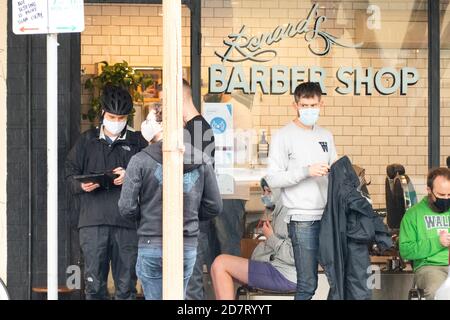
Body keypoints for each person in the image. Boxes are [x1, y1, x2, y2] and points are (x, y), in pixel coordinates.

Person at [118, 104, 223, 300]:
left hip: (151, 242)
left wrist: (146, 217)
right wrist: (190, 215)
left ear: (159, 126)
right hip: (187, 243)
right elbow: (214, 205)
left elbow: (126, 207)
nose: (145, 125)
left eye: (149, 121)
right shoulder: (201, 159)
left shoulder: (139, 160)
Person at [65, 85, 148, 300]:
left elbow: (155, 177)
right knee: (94, 288)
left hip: (127, 225)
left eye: (121, 117)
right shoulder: (86, 141)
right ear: (102, 112)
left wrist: (131, 176)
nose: (116, 121)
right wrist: (81, 185)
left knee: (127, 289)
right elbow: (68, 175)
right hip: (92, 225)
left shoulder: (138, 142)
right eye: (112, 116)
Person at [264, 82, 337, 300]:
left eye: (313, 105)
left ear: (321, 104)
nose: (309, 110)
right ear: (295, 105)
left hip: (327, 217)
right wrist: (306, 171)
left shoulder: (326, 135)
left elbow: (335, 168)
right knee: (307, 284)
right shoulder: (283, 136)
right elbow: (273, 178)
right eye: (304, 105)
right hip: (301, 218)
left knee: (337, 278)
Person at [211, 179, 296, 300]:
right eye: (264, 191)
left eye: (269, 191)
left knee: (221, 264)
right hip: (280, 270)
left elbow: (293, 256)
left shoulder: (288, 213)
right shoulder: (280, 210)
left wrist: (271, 237)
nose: (265, 195)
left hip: (284, 274)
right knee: (218, 268)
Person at [182, 79, 217, 300]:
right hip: (190, 218)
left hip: (192, 219)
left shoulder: (197, 130)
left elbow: (190, 176)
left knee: (191, 286)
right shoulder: (196, 128)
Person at [399, 167, 450, 300]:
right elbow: (405, 250)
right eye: (441, 195)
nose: (446, 199)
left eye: (449, 195)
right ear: (429, 190)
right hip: (430, 267)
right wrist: (437, 242)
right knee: (438, 292)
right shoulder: (413, 215)